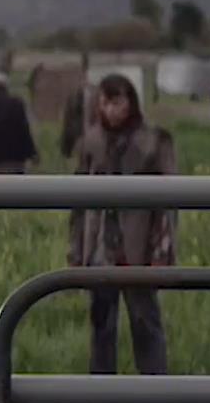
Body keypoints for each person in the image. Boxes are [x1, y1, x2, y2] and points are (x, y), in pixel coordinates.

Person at [70, 73, 176, 375]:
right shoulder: (91, 143)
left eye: (117, 101)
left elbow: (167, 206)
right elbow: (78, 205)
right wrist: (77, 251)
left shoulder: (152, 143)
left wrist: (161, 252)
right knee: (101, 320)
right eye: (105, 102)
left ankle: (155, 385)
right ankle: (101, 385)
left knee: (145, 319)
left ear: (130, 102)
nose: (111, 110)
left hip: (138, 246)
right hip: (100, 245)